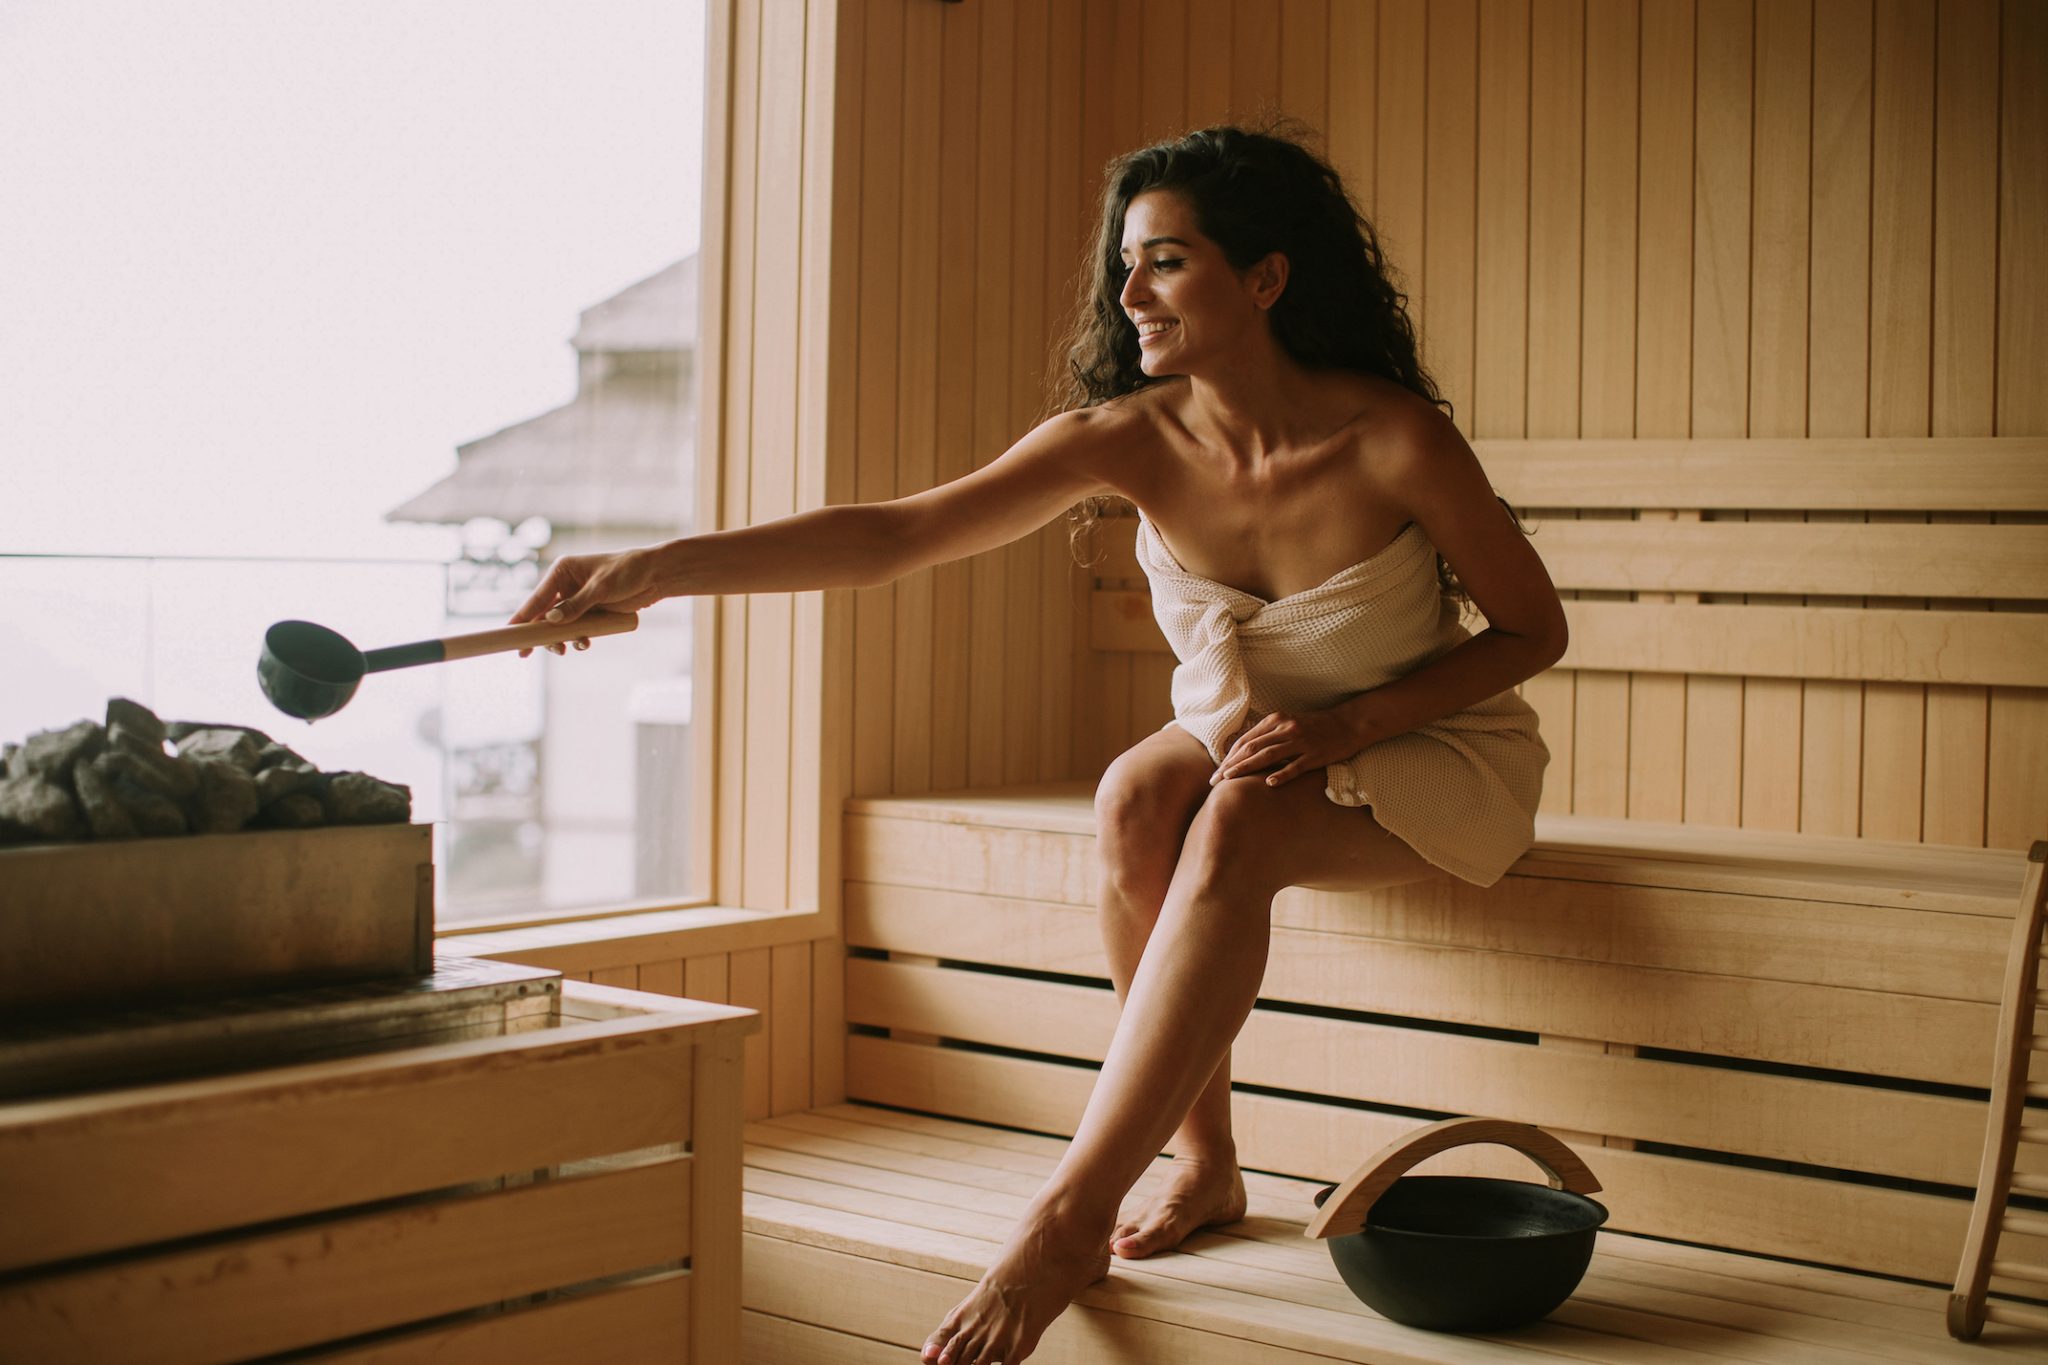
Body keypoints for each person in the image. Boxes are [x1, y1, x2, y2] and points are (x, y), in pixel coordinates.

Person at [513, 124, 1564, 1365]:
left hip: (1424, 741)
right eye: (1126, 265)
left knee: (1224, 816)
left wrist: (1350, 722)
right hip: (1246, 741)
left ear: (1264, 279)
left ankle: (1066, 1221)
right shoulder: (1125, 439)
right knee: (1133, 798)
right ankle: (1203, 1160)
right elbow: (893, 536)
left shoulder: (1393, 440)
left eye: (1166, 263)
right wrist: (654, 569)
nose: (1128, 298)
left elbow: (1528, 629)